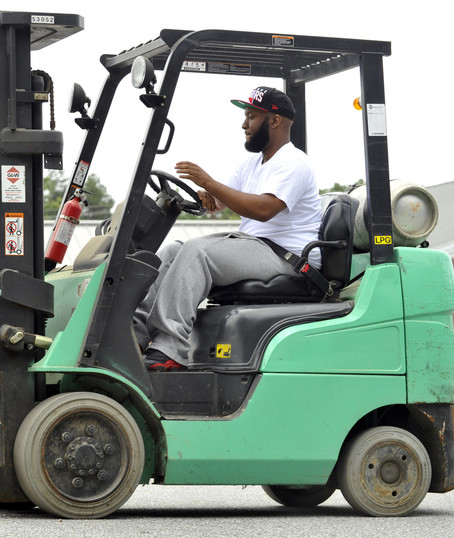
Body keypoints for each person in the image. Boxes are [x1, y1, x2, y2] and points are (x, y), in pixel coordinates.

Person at [134, 87, 321, 370]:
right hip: (255, 246)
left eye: (251, 117)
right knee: (173, 250)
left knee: (199, 252)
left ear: (274, 121)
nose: (244, 124)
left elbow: (263, 209)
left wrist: (209, 182)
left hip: (285, 256)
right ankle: (134, 335)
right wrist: (208, 196)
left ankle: (170, 349)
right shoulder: (252, 163)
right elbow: (223, 199)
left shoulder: (294, 162)